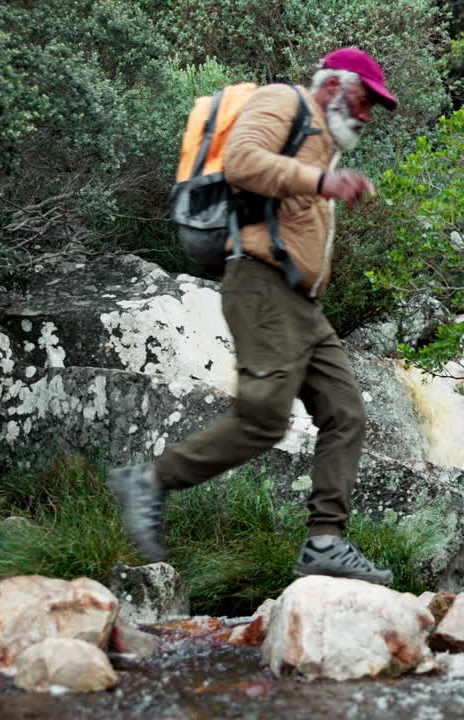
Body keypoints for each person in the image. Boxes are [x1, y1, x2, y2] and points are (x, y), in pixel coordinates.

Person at [108, 48, 397, 585]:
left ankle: (324, 543)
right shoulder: (283, 101)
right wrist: (321, 183)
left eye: (373, 107)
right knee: (264, 417)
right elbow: (242, 160)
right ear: (333, 86)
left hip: (301, 305)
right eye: (363, 100)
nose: (366, 115)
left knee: (346, 413)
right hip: (261, 285)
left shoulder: (320, 145)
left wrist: (324, 181)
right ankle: (150, 480)